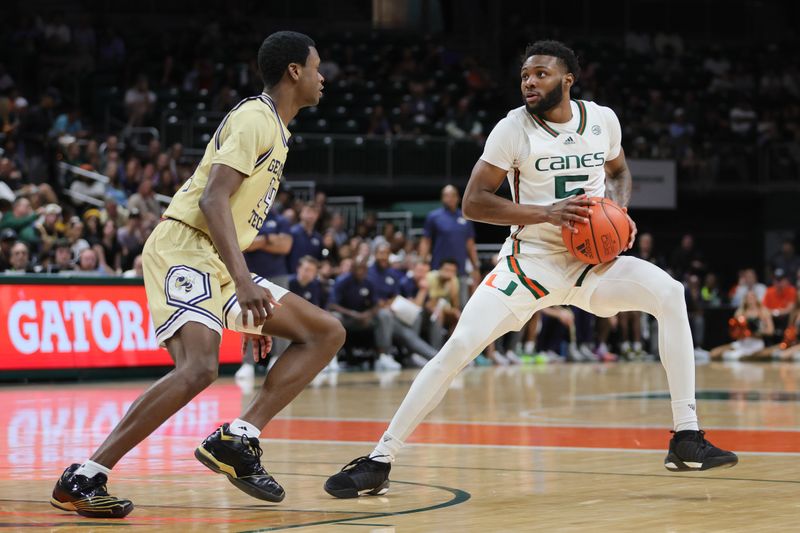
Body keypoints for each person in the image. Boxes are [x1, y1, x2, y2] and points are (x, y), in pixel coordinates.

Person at [324, 40, 737, 499]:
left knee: (671, 292)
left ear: (567, 79)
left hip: (591, 266)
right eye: (524, 75)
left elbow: (618, 172)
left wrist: (617, 214)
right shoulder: (512, 128)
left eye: (540, 74)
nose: (529, 82)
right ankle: (381, 458)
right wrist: (547, 213)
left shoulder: (602, 119)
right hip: (529, 265)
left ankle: (685, 436)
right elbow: (473, 202)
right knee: (458, 345)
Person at [52, 31, 344, 518]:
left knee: (323, 332)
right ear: (295, 70)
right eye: (317, 66)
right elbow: (212, 200)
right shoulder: (256, 118)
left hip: (219, 263)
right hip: (185, 246)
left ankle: (238, 438)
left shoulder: (276, 128)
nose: (323, 76)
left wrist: (241, 288)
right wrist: (246, 281)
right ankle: (85, 475)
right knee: (199, 369)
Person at [237, 208, 294, 381]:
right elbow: (243, 244)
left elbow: (285, 246)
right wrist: (270, 240)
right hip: (250, 275)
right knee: (248, 316)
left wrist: (259, 241)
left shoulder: (281, 219)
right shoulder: (245, 214)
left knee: (281, 317)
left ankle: (278, 360)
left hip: (278, 275)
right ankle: (247, 364)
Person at [420, 185, 481, 306]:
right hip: (438, 270)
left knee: (461, 306)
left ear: (458, 198)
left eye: (452, 195)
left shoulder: (465, 217)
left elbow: (470, 244)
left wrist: (475, 266)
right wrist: (422, 263)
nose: (450, 198)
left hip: (460, 271)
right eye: (446, 195)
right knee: (438, 306)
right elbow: (426, 241)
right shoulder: (434, 217)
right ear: (442, 198)